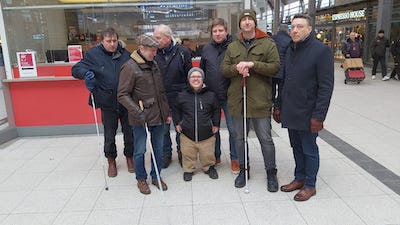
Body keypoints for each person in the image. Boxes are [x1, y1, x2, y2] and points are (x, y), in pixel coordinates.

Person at [273, 14, 334, 201]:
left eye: (300, 26)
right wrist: (278, 105)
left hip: (309, 112)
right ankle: (299, 178)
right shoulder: (290, 49)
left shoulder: (321, 51)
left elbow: (326, 86)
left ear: (309, 29)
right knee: (296, 147)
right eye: (293, 27)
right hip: (291, 109)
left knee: (309, 148)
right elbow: (284, 80)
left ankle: (310, 184)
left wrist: (319, 116)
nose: (295, 30)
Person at [221, 9, 280, 192]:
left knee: (265, 138)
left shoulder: (268, 44)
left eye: (249, 19)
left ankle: (271, 173)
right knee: (239, 138)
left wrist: (254, 65)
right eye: (243, 20)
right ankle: (243, 171)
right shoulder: (233, 46)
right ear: (240, 24)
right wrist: (236, 69)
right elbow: (224, 69)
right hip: (238, 100)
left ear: (255, 23)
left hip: (260, 100)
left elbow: (275, 67)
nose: (246, 22)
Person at [72, 27, 133, 178]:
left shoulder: (126, 54)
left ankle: (129, 158)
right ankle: (111, 160)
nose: (112, 44)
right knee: (109, 133)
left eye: (114, 41)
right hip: (106, 101)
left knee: (129, 132)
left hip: (126, 101)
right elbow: (75, 69)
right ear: (102, 41)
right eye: (109, 41)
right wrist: (85, 74)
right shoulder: (93, 55)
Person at [118, 34, 171, 195]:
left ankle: (156, 176)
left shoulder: (153, 64)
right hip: (140, 117)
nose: (155, 53)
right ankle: (141, 178)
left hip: (158, 115)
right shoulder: (130, 67)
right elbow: (122, 94)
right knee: (140, 150)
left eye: (156, 50)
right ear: (141, 49)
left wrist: (167, 112)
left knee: (158, 148)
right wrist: (138, 112)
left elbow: (161, 92)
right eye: (152, 50)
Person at [200, 18, 239, 173]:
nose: (217, 33)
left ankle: (235, 158)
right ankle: (215, 156)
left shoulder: (235, 46)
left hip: (230, 95)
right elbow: (202, 70)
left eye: (220, 30)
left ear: (226, 31)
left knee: (233, 130)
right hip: (211, 97)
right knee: (212, 129)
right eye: (214, 31)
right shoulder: (206, 49)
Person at [153, 24, 193, 168]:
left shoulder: (183, 52)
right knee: (163, 129)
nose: (155, 40)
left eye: (158, 38)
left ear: (168, 38)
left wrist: (188, 96)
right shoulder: (154, 53)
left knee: (180, 127)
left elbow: (189, 74)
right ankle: (166, 154)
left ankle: (183, 153)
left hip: (180, 96)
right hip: (161, 97)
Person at [173, 67, 220, 181]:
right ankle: (188, 169)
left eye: (198, 77)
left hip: (207, 133)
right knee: (188, 153)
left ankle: (209, 167)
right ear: (189, 79)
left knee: (207, 154)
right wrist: (178, 123)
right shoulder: (182, 95)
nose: (196, 79)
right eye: (193, 77)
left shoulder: (211, 95)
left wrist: (216, 124)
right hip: (187, 133)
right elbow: (176, 110)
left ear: (203, 79)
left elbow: (216, 110)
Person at [271, 24, 291, 111]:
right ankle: (278, 106)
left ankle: (270, 102)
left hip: (272, 69)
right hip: (283, 70)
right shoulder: (290, 40)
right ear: (287, 31)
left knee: (271, 88)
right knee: (281, 89)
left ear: (278, 30)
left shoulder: (272, 39)